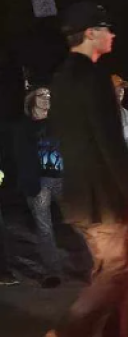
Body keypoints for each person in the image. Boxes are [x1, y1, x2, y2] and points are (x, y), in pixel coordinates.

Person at [27, 1, 128, 337]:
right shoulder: (92, 76)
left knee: (118, 268)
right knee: (118, 266)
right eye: (106, 27)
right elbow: (109, 141)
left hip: (80, 194)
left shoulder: (62, 77)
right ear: (89, 33)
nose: (112, 34)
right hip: (99, 197)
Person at [14, 88, 64, 288]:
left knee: (79, 220)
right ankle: (53, 271)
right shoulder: (23, 127)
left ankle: (98, 263)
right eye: (42, 95)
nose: (47, 98)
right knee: (44, 228)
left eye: (50, 95)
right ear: (32, 100)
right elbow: (20, 156)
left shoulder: (57, 122)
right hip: (38, 181)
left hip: (61, 179)